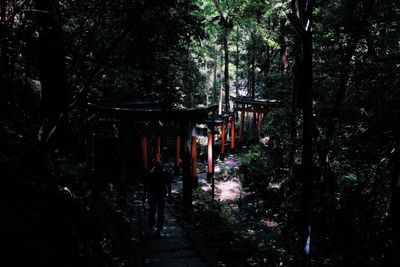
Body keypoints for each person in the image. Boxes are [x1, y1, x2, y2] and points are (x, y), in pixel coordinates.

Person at [146, 161, 171, 236]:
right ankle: (156, 229)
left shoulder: (154, 173)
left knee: (155, 212)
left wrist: (169, 194)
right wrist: (169, 195)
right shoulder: (153, 174)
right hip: (155, 195)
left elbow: (146, 186)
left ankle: (156, 229)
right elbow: (168, 184)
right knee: (157, 212)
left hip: (156, 195)